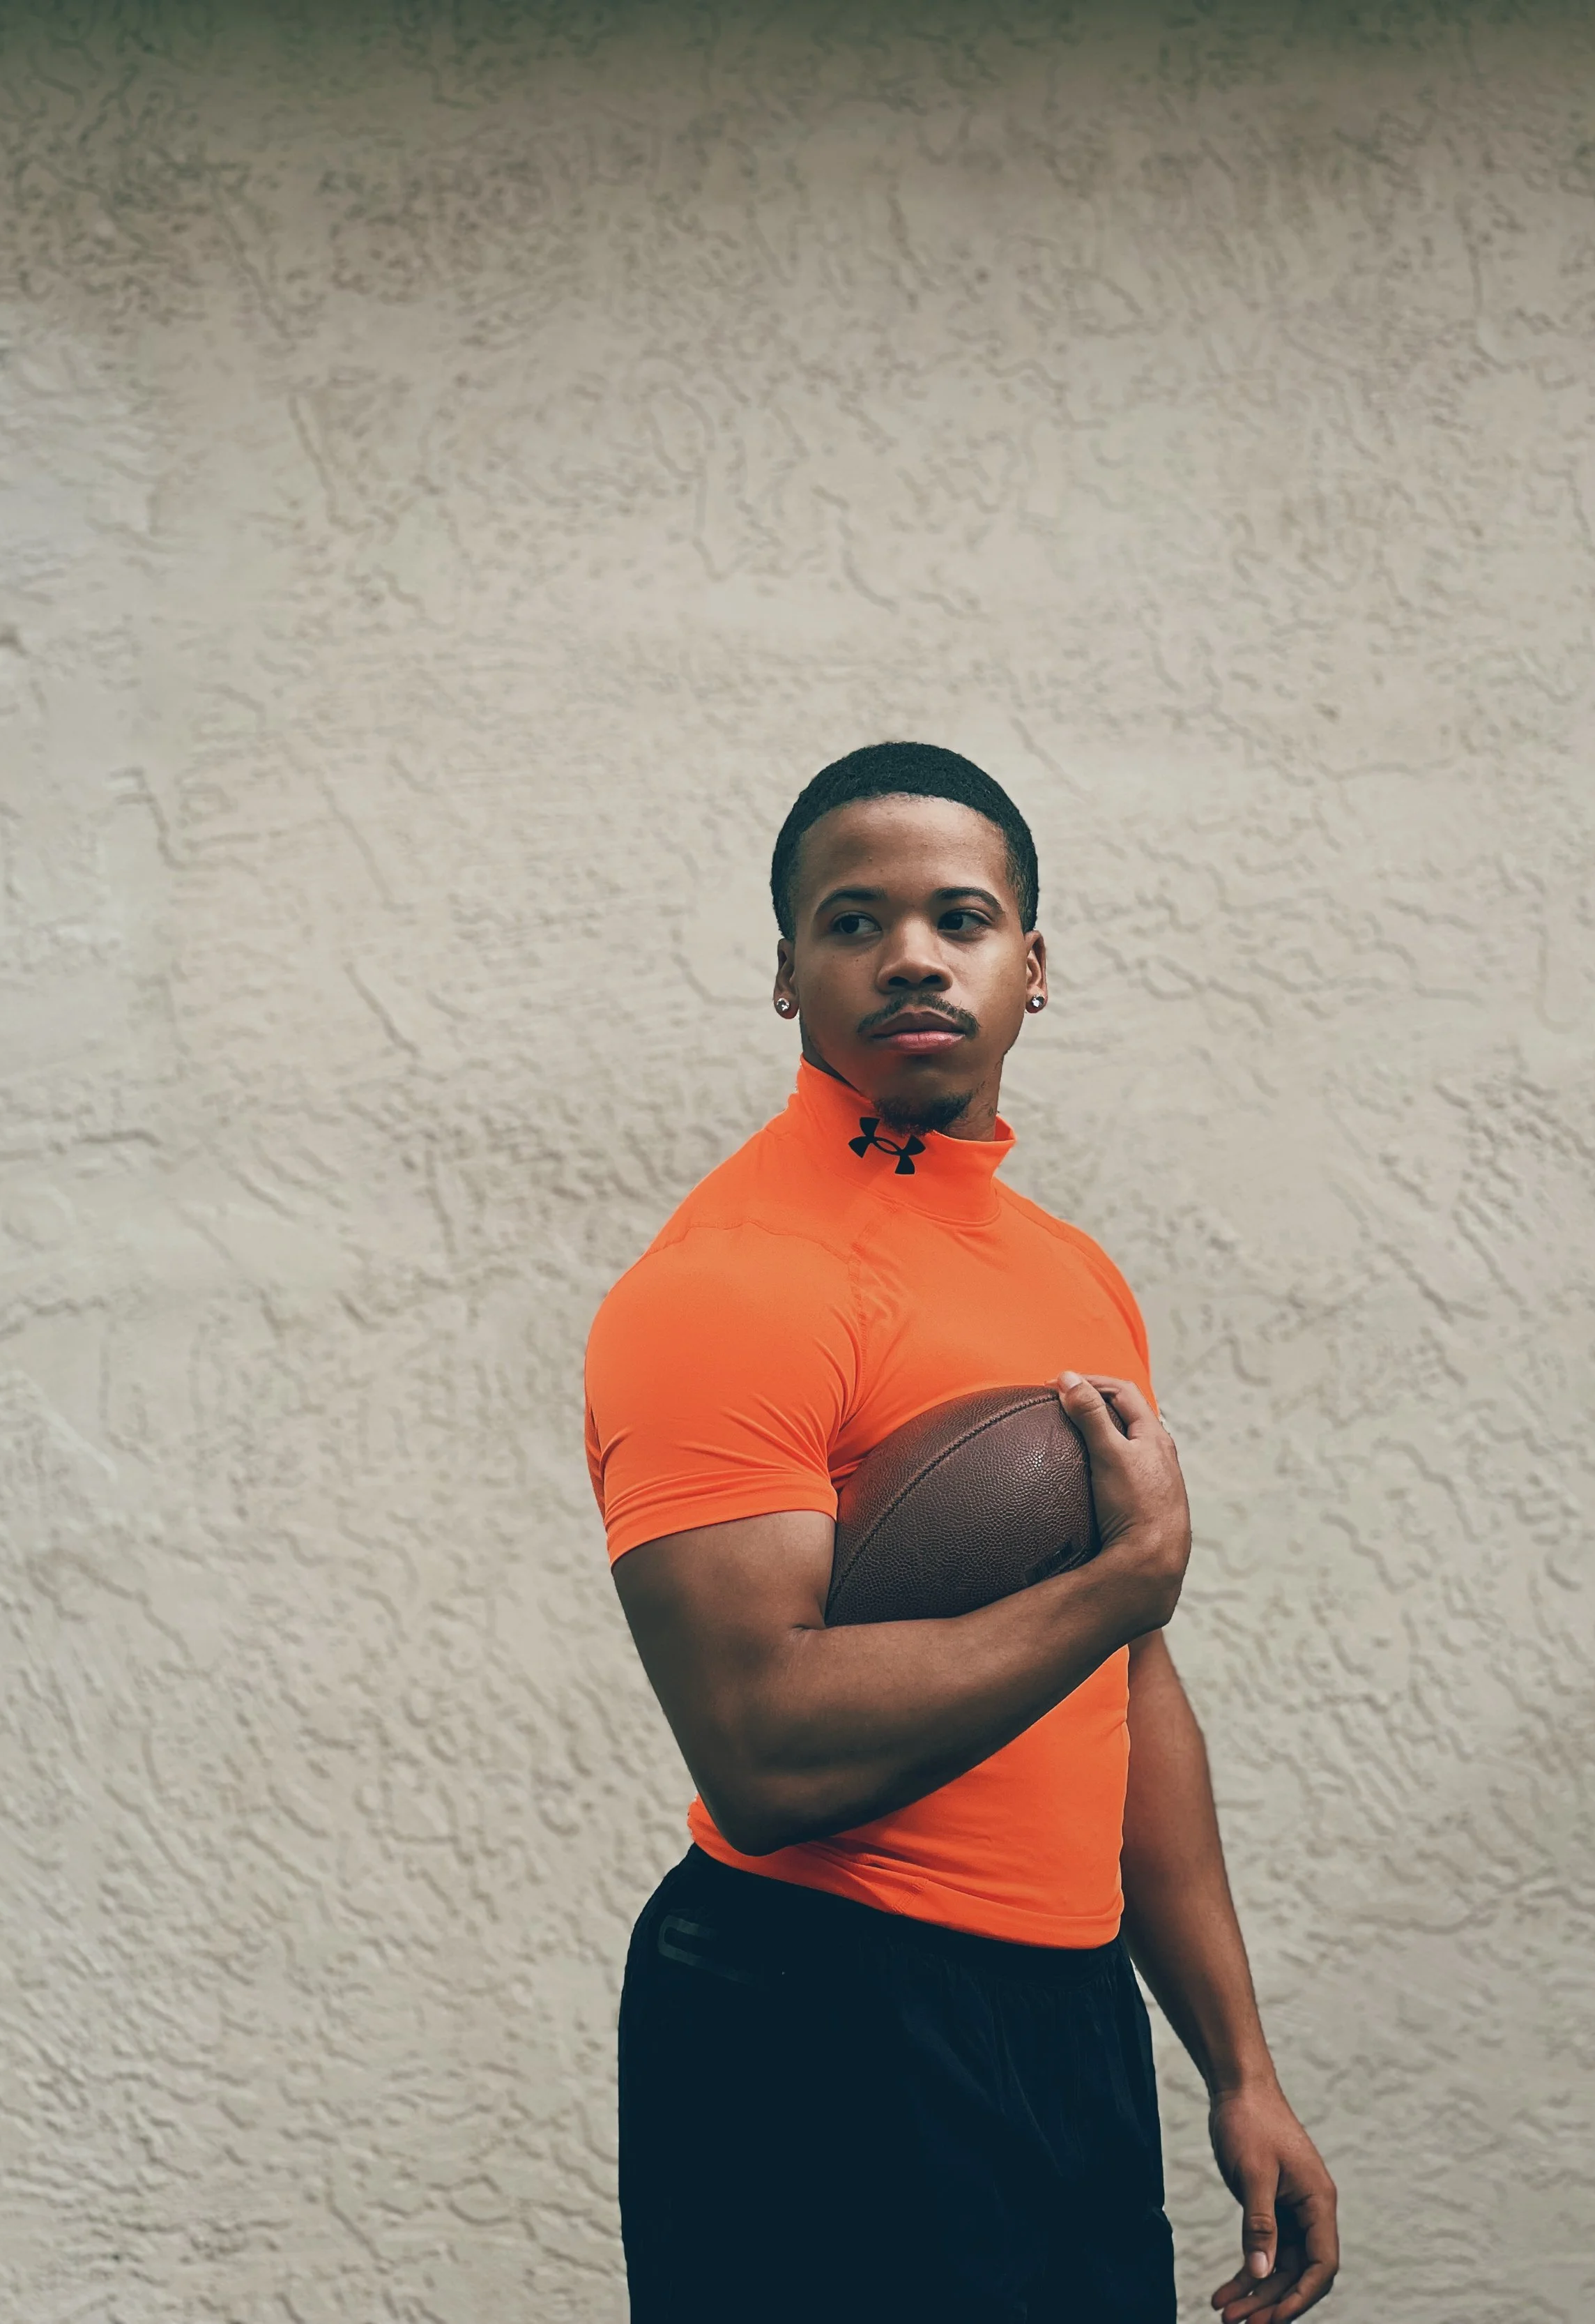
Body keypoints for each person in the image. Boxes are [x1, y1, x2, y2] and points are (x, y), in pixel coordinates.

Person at [583, 743, 1338, 2324]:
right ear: (786, 975)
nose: (910, 954)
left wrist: (1239, 2068)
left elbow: (1122, 1692)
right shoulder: (731, 1279)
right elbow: (762, 1751)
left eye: (959, 917)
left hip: (1060, 2014)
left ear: (1031, 967)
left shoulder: (1069, 1274)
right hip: (811, 1997)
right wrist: (1122, 1580)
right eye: (850, 920)